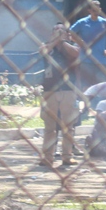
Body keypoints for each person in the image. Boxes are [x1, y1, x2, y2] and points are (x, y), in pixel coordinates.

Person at [39, 22, 80, 168]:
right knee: (49, 126)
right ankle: (47, 157)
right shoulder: (46, 45)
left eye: (62, 31)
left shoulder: (72, 46)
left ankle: (67, 156)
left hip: (68, 89)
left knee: (68, 126)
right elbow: (43, 52)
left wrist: (62, 41)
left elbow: (76, 54)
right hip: (50, 90)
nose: (58, 32)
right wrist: (55, 41)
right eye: (56, 30)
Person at [70, 0, 106, 87]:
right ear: (89, 10)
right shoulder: (82, 22)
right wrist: (80, 42)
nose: (96, 12)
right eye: (94, 10)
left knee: (101, 86)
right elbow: (70, 33)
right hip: (86, 60)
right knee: (86, 86)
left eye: (97, 9)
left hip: (101, 60)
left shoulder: (105, 22)